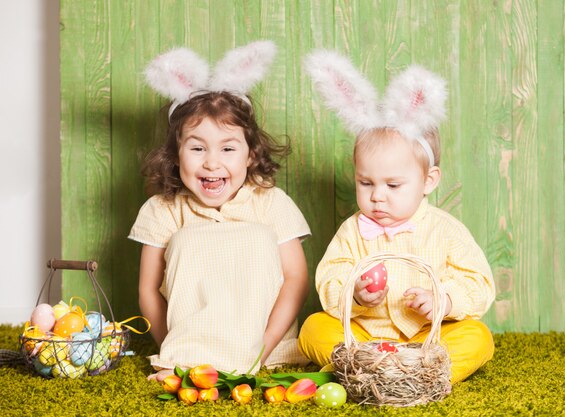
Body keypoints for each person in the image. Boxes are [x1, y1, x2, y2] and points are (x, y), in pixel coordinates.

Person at [298, 50, 496, 384]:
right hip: (365, 338)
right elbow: (329, 279)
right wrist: (356, 295)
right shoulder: (353, 231)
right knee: (312, 329)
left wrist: (445, 300)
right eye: (365, 182)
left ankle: (425, 373)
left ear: (428, 181)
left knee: (478, 337)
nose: (377, 195)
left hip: (427, 340)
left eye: (393, 185)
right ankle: (366, 366)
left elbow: (480, 283)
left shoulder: (446, 230)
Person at [129, 42, 310, 379]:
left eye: (228, 148)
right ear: (176, 154)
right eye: (197, 148)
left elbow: (296, 278)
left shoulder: (271, 202)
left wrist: (265, 345)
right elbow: (148, 289)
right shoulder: (162, 210)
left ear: (250, 154)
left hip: (265, 350)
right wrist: (175, 350)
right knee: (188, 239)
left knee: (255, 236)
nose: (212, 162)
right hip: (189, 353)